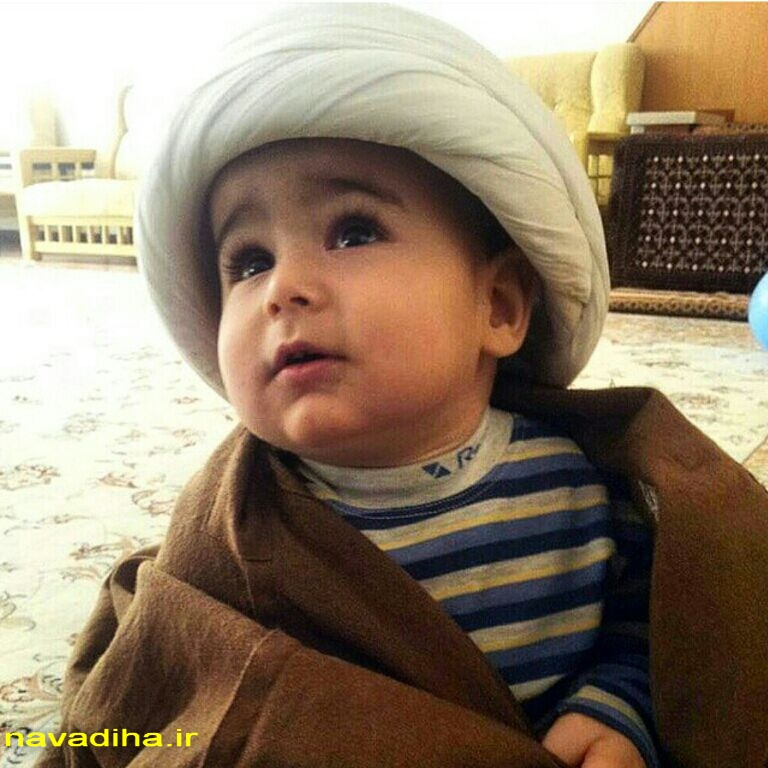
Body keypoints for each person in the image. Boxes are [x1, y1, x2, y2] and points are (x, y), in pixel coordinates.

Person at [38, 5, 768, 768]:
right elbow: (181, 688)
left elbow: (664, 622)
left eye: (353, 232)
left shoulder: (582, 489)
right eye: (249, 261)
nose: (283, 287)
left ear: (498, 306)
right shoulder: (234, 535)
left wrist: (616, 709)